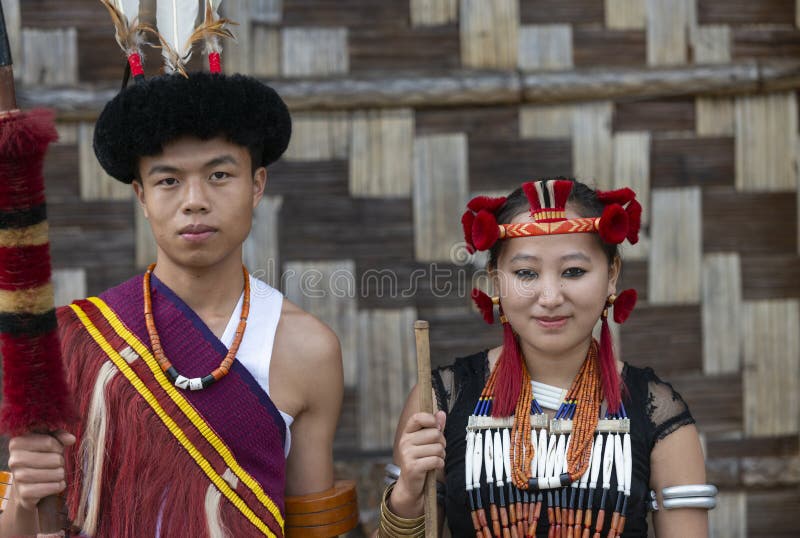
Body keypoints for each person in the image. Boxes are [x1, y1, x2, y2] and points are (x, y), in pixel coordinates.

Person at [0, 41, 344, 538]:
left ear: (258, 184)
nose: (195, 202)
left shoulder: (307, 349)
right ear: (140, 195)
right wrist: (26, 497)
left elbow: (316, 529)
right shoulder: (76, 341)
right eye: (168, 181)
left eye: (220, 175)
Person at [380, 178, 711, 537]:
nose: (550, 296)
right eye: (526, 273)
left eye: (574, 271)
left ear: (612, 276)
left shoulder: (656, 411)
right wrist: (407, 496)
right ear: (495, 281)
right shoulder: (440, 401)